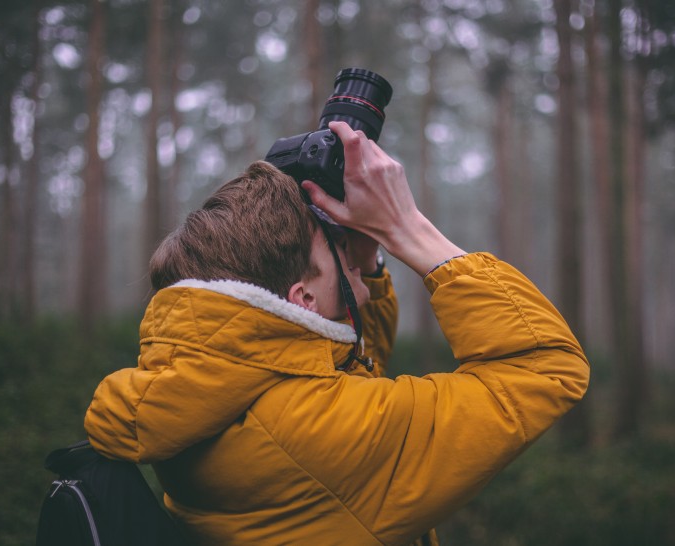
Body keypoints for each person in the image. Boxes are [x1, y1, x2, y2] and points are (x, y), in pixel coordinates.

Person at [85, 121, 590, 546]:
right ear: (302, 300)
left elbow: (345, 366)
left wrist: (364, 256)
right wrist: (407, 229)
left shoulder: (204, 384)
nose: (360, 274)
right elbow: (544, 367)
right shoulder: (316, 432)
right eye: (340, 256)